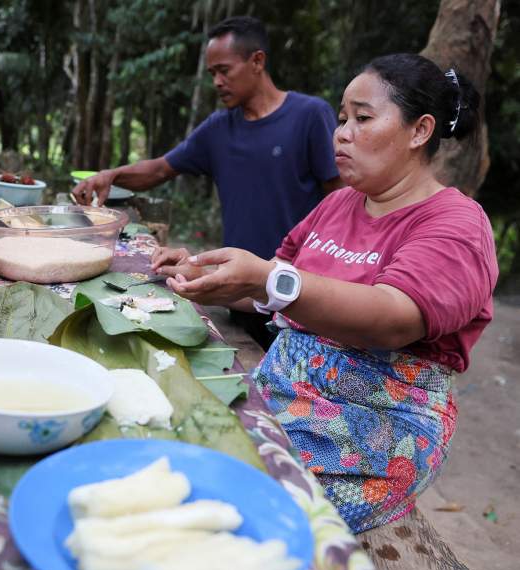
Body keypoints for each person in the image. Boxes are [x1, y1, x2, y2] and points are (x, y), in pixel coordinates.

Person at [155, 54, 497, 532]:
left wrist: (269, 280)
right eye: (341, 119)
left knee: (234, 515)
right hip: (285, 392)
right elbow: (278, 285)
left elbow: (393, 317)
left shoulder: (456, 225)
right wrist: (205, 274)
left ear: (420, 130)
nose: (341, 134)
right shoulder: (339, 204)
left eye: (363, 118)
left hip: (375, 425)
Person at [73, 16, 342, 349]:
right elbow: (159, 169)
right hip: (239, 291)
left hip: (298, 291)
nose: (216, 81)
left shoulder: (309, 115)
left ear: (257, 61)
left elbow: (341, 200)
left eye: (224, 70)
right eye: (212, 73)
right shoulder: (218, 129)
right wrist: (111, 176)